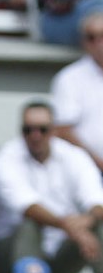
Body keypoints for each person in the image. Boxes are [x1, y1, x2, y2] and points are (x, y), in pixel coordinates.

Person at [0, 100, 103, 273]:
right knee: (31, 225)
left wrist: (87, 220)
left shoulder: (73, 156)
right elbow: (29, 207)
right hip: (9, 252)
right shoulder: (6, 158)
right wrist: (71, 227)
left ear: (54, 130)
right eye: (29, 130)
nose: (35, 136)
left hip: (60, 251)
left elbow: (97, 199)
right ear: (21, 130)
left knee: (99, 225)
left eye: (42, 129)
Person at [51, 11, 103, 172]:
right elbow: (63, 131)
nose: (98, 44)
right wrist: (98, 163)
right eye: (91, 37)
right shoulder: (69, 78)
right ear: (83, 42)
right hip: (86, 171)